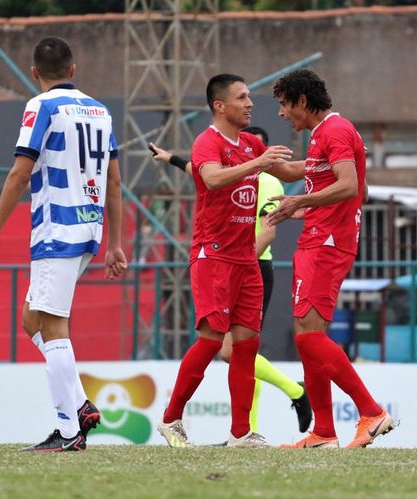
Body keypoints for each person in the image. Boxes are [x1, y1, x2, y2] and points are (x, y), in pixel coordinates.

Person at [0, 36, 127, 452]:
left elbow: (20, 173)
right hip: (89, 229)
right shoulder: (100, 110)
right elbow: (114, 181)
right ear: (74, 70)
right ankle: (79, 405)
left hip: (56, 228)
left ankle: (67, 429)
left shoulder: (39, 106)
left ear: (35, 73)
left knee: (53, 325)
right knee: (32, 321)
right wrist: (115, 243)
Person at [157, 73, 293, 448]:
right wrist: (257, 163)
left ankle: (240, 433)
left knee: (247, 344)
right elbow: (213, 179)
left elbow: (289, 170)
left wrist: (331, 164)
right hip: (213, 255)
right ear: (220, 105)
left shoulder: (250, 143)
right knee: (211, 339)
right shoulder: (208, 142)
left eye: (250, 97)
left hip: (246, 258)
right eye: (242, 97)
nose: (250, 103)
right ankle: (171, 419)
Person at [267, 69, 393, 448]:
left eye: (285, 105)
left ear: (302, 101)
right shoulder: (327, 134)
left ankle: (371, 411)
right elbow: (360, 190)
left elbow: (351, 185)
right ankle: (323, 431)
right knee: (309, 334)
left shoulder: (334, 131)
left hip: (327, 245)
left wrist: (301, 202)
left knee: (307, 336)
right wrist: (309, 208)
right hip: (322, 237)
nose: (281, 114)